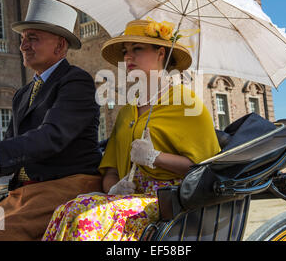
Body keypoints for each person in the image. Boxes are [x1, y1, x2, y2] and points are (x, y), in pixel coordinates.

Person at [0, 0, 103, 240]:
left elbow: (51, 137)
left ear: (59, 46)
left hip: (69, 187)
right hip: (26, 195)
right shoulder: (23, 94)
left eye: (33, 38)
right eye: (23, 39)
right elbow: (12, 152)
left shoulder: (76, 81)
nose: (23, 46)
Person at [43, 19, 221, 241]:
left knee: (88, 219)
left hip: (172, 204)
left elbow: (205, 171)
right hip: (131, 199)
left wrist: (155, 157)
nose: (127, 57)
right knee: (68, 209)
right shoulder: (127, 111)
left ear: (161, 54)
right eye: (126, 51)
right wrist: (114, 188)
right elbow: (110, 170)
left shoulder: (187, 103)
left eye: (137, 49)